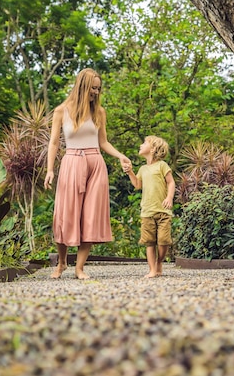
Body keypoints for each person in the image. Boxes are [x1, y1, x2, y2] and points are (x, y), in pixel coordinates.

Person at [44, 68, 131, 280]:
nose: (96, 92)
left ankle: (79, 268)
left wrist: (120, 156)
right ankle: (62, 262)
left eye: (98, 89)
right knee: (64, 215)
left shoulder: (99, 112)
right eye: (93, 88)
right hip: (72, 162)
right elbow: (54, 142)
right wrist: (49, 170)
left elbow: (103, 142)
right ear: (82, 86)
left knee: (90, 217)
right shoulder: (61, 111)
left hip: (95, 164)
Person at [123, 136, 175, 278]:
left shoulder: (162, 165)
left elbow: (171, 183)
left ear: (152, 149)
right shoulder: (143, 169)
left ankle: (159, 262)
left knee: (163, 241)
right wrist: (130, 172)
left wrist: (169, 197)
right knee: (149, 242)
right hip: (147, 212)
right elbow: (137, 185)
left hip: (163, 211)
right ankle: (152, 270)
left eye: (144, 143)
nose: (141, 145)